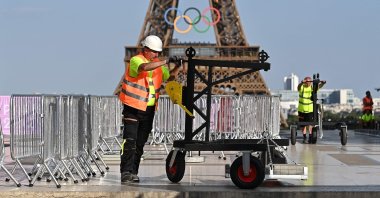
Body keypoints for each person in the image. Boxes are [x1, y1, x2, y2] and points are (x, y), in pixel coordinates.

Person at [118, 35, 181, 183]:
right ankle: (125, 172)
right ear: (146, 49)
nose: (156, 55)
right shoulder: (136, 60)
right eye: (154, 52)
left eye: (158, 52)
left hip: (149, 109)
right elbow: (143, 68)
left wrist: (178, 66)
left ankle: (133, 172)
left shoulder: (158, 65)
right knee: (130, 141)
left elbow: (170, 78)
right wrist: (166, 61)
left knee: (140, 143)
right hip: (132, 107)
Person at [297, 76, 326, 143]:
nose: (308, 83)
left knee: (310, 124)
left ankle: (310, 136)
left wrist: (323, 83)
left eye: (309, 82)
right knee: (302, 125)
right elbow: (298, 87)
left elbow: (319, 86)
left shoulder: (312, 88)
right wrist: (301, 83)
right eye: (306, 82)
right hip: (301, 109)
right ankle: (304, 137)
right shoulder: (302, 87)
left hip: (310, 110)